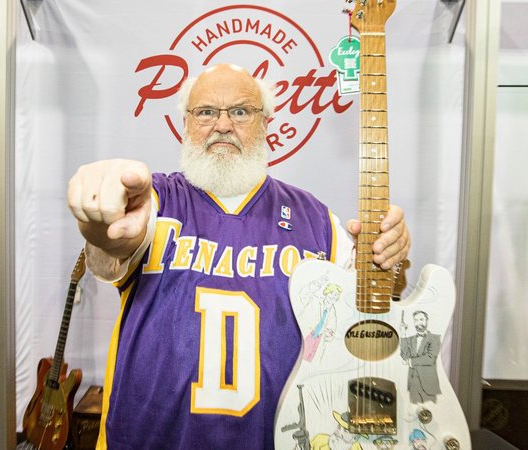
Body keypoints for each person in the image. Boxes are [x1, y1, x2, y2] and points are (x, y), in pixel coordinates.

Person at [67, 64, 410, 449]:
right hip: (151, 437)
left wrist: (390, 256)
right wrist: (98, 219)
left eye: (241, 111)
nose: (223, 125)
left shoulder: (315, 218)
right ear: (186, 124)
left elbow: (374, 309)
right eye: (207, 112)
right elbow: (112, 245)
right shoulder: (153, 199)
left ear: (266, 124)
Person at [400, 310, 442, 404]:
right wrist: (403, 333)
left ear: (427, 320)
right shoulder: (410, 339)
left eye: (421, 319)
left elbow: (430, 358)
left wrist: (410, 362)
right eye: (416, 320)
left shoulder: (435, 338)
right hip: (413, 385)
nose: (419, 323)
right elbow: (404, 355)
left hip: (428, 385)